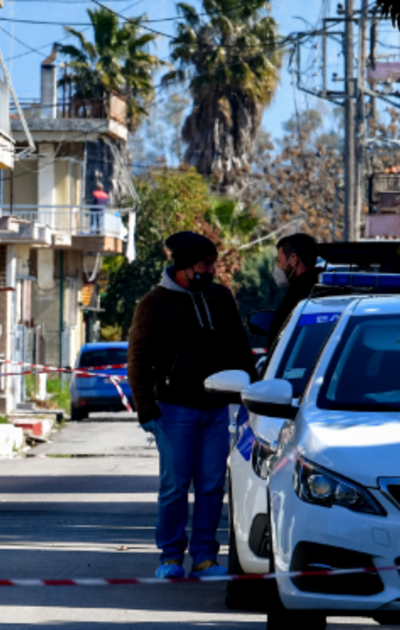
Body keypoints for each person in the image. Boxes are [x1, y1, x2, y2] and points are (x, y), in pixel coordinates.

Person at [127, 231, 256, 580]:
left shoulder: (220, 297)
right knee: (174, 487)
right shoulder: (153, 304)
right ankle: (170, 557)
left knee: (212, 486)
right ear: (184, 267)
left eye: (213, 263)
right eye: (205, 264)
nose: (212, 270)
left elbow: (240, 350)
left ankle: (205, 558)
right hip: (173, 410)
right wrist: (146, 409)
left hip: (217, 410)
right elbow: (138, 361)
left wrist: (251, 393)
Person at [268, 233, 321, 344]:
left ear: (293, 259)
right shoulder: (326, 288)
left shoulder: (295, 298)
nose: (278, 267)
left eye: (279, 261)